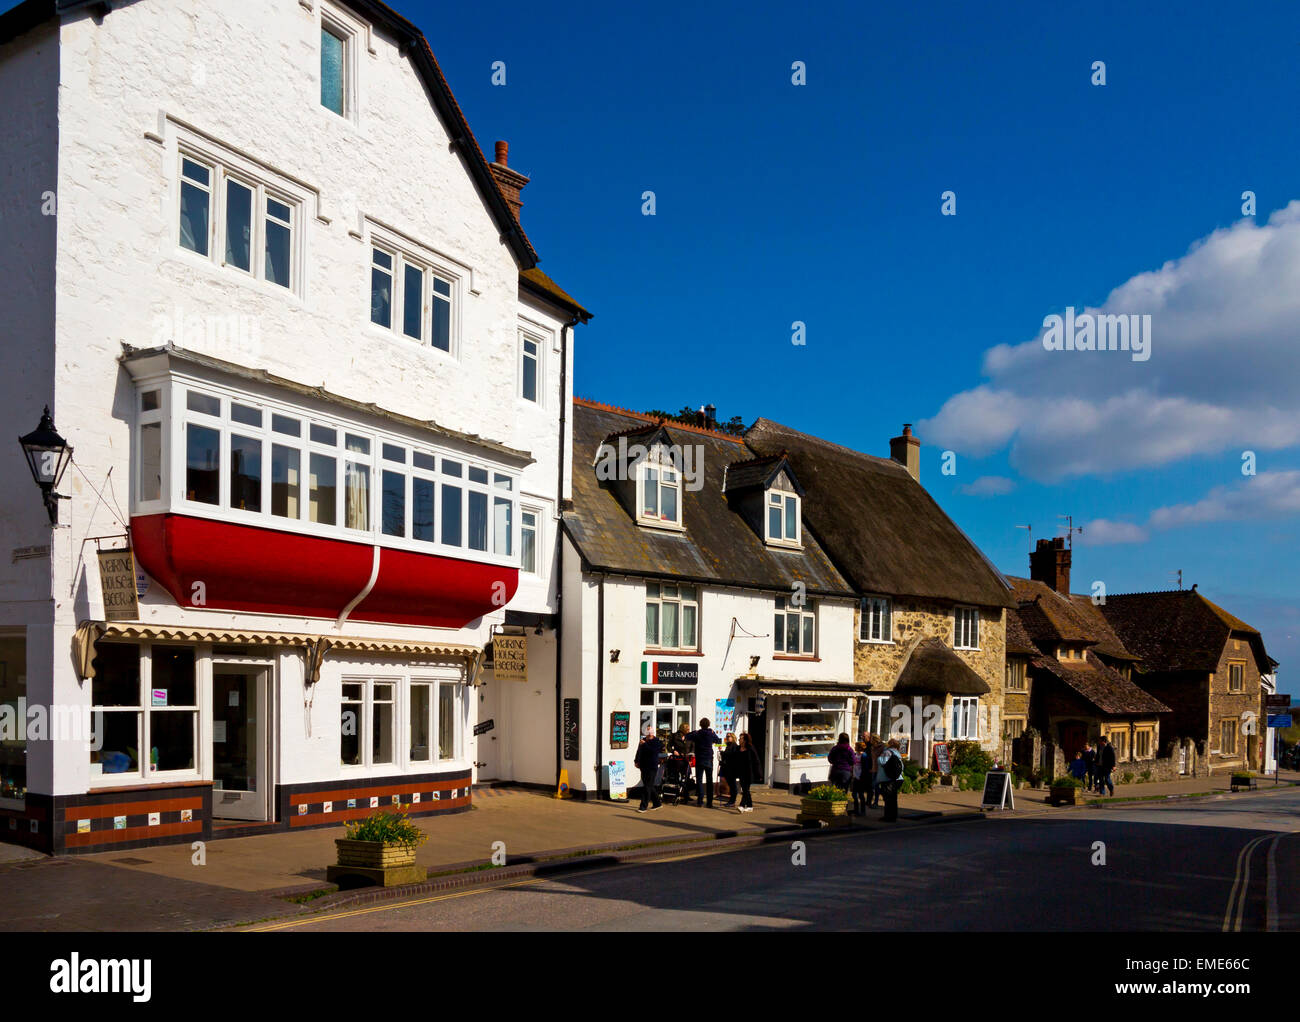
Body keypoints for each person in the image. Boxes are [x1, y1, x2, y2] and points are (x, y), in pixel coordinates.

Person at [686, 718, 722, 807]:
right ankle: (709, 803)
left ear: (700, 724)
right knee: (709, 781)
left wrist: (695, 731)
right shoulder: (711, 733)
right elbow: (718, 741)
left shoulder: (697, 733)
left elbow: (687, 736)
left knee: (699, 780)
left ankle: (700, 801)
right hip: (709, 759)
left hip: (699, 759)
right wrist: (712, 732)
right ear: (708, 724)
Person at [634, 727, 664, 812]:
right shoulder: (643, 740)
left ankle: (643, 806)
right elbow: (639, 751)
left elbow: (653, 752)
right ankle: (657, 803)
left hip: (652, 767)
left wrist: (645, 744)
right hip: (643, 766)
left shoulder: (656, 741)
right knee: (649, 785)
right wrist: (636, 761)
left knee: (647, 786)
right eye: (648, 734)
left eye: (651, 734)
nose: (650, 735)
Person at [876, 738, 905, 822]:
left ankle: (888, 817)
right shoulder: (898, 754)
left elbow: (881, 761)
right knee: (893, 799)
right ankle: (893, 816)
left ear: (890, 744)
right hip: (897, 778)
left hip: (887, 779)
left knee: (888, 799)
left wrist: (880, 755)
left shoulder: (887, 752)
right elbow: (901, 767)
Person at [736, 731, 761, 812]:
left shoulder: (750, 748)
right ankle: (750, 806)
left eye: (741, 738)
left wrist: (759, 773)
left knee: (746, 789)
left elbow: (756, 761)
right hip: (741, 772)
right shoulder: (738, 749)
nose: (739, 740)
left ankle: (742, 805)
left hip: (749, 772)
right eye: (739, 738)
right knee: (745, 789)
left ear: (745, 740)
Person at [850, 741, 869, 816]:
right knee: (854, 794)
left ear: (859, 747)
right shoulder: (855, 755)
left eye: (856, 746)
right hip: (855, 777)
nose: (854, 747)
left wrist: (861, 777)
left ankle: (863, 811)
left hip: (860, 778)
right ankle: (856, 810)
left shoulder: (864, 755)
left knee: (860, 794)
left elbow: (865, 768)